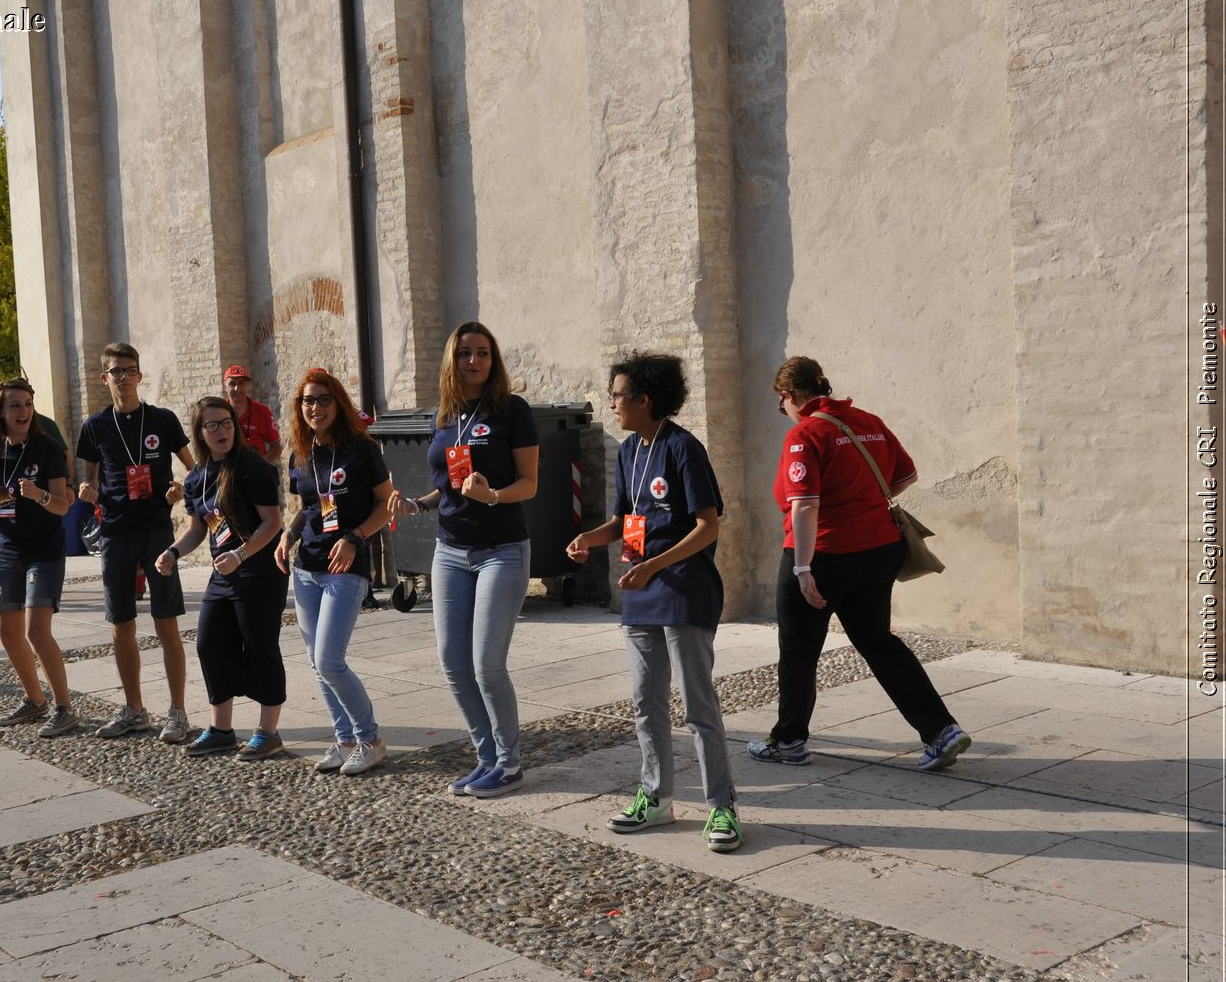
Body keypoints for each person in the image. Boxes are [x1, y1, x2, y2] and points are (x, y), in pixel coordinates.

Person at [751, 356, 971, 772]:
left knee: (799, 648)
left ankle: (789, 741)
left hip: (826, 553)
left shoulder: (806, 434)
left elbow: (804, 506)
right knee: (878, 642)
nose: (783, 412)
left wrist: (802, 569)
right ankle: (942, 732)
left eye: (781, 404)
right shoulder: (868, 421)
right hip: (879, 549)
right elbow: (907, 475)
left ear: (790, 396)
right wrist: (864, 500)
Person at [566, 354, 741, 851]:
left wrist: (655, 565)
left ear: (646, 400)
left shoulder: (684, 448)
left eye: (619, 395)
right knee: (646, 703)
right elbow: (626, 522)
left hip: (684, 589)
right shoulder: (627, 451)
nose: (613, 403)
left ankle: (722, 807)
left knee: (698, 707)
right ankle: (656, 798)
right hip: (639, 590)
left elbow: (708, 525)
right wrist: (588, 538)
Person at [389, 321, 539, 798]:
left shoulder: (513, 411)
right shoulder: (445, 414)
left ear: (493, 361)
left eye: (482, 353)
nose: (473, 361)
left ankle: (511, 764)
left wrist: (492, 495)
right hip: (450, 550)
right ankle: (487, 758)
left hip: (501, 551)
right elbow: (449, 486)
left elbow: (529, 484)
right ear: (451, 360)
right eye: (464, 353)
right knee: (453, 663)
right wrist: (417, 503)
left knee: (486, 664)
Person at [76, 343, 196, 741]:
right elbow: (90, 477)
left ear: (140, 376)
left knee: (166, 623)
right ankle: (134, 709)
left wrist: (182, 490)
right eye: (116, 371)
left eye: (130, 370)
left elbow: (194, 471)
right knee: (120, 625)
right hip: (115, 533)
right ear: (104, 378)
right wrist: (87, 490)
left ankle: (178, 712)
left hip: (156, 531)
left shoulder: (162, 419)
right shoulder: (95, 426)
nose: (123, 377)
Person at [276, 370, 393, 774]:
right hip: (306, 567)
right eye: (308, 401)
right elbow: (305, 508)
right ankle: (344, 740)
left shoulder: (361, 450)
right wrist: (286, 537)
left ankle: (371, 740)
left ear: (338, 403)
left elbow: (386, 503)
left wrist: (355, 537)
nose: (315, 408)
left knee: (329, 660)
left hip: (346, 565)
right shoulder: (301, 452)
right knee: (315, 660)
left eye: (323, 400)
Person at [0, 378, 79, 738]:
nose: (23, 412)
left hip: (44, 550)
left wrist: (39, 495)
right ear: (0, 413)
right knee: (8, 632)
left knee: (36, 631)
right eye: (15, 406)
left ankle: (63, 707)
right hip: (8, 550)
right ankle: (34, 699)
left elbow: (62, 505)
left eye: (27, 404)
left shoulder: (48, 449)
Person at [163, 396, 287, 758]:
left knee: (261, 648)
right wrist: (172, 553)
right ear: (200, 433)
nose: (222, 430)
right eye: (213, 425)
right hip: (224, 576)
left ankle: (268, 732)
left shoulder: (253, 467)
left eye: (227, 422)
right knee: (210, 644)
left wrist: (241, 553)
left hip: (260, 572)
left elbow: (273, 522)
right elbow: (197, 530)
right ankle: (221, 729)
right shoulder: (197, 478)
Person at [223, 364, 282, 463]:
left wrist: (260, 465)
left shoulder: (262, 411)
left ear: (248, 385)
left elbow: (276, 447)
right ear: (225, 387)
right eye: (232, 384)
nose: (237, 388)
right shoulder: (220, 413)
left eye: (241, 383)